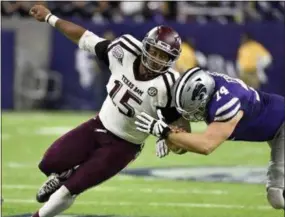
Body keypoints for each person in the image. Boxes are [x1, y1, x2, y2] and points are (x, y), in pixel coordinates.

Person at [29, 4, 190, 217]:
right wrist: (50, 17)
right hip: (99, 125)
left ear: (172, 61)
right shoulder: (123, 50)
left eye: (165, 56)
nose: (158, 59)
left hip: (125, 145)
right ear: (145, 47)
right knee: (49, 163)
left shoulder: (169, 85)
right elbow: (85, 38)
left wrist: (168, 136)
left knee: (70, 190)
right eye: (155, 51)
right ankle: (65, 173)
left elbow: (182, 130)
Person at [135, 67, 285, 210]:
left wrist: (166, 132)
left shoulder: (227, 102)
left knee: (277, 195)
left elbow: (206, 146)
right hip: (275, 129)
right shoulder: (203, 85)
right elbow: (182, 146)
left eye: (196, 109)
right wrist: (167, 135)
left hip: (282, 125)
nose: (190, 116)